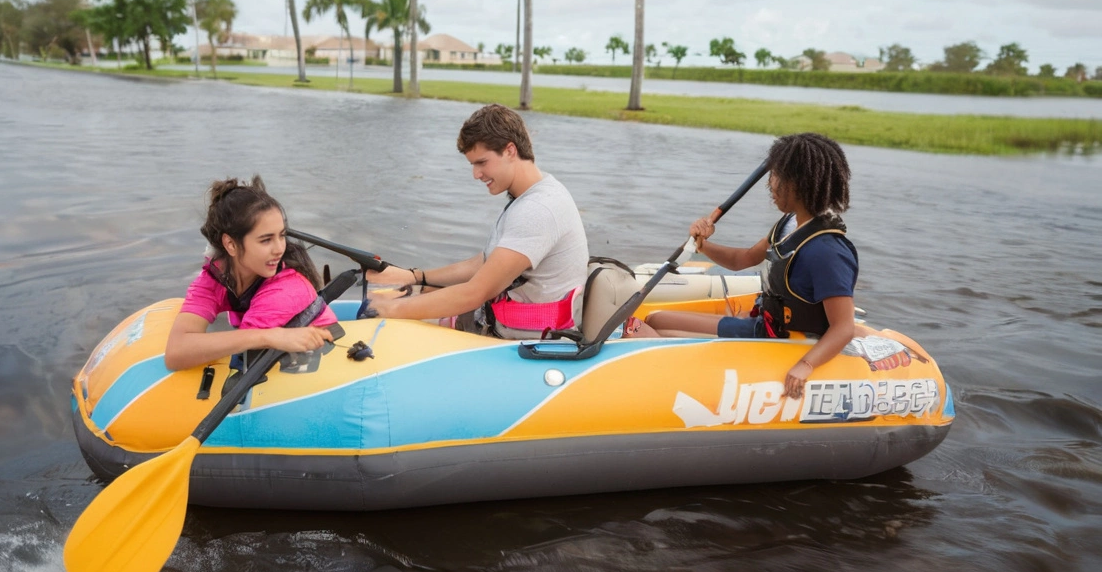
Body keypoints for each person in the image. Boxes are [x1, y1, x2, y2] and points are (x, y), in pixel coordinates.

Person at [633, 132, 857, 400]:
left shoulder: (826, 251)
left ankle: (658, 388)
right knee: (655, 318)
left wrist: (805, 364)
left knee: (657, 330)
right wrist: (702, 245)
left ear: (798, 183)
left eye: (776, 177)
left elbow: (843, 327)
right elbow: (742, 260)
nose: (770, 185)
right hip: (763, 324)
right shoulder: (790, 225)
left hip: (783, 341)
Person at [363, 103, 589, 339]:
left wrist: (391, 310)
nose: (476, 174)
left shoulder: (538, 209)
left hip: (527, 345)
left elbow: (475, 293)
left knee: (389, 321)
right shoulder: (532, 195)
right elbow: (486, 263)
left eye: (482, 162)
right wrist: (416, 277)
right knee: (406, 298)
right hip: (499, 324)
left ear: (510, 151)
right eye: (473, 164)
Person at [164, 176, 337, 372]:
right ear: (230, 244)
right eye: (266, 240)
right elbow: (176, 352)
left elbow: (241, 361)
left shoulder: (286, 290)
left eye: (281, 235)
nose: (280, 249)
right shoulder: (215, 278)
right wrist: (267, 336)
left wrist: (261, 336)